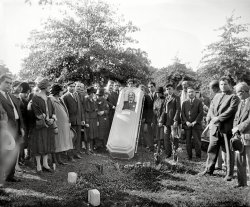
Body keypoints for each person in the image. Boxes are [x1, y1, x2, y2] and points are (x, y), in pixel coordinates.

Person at [199, 76, 239, 181]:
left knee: (227, 152)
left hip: (226, 129)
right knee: (212, 149)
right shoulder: (216, 96)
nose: (223, 86)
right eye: (221, 84)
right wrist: (213, 118)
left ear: (230, 85)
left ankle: (229, 174)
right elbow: (211, 109)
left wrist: (219, 118)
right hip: (215, 128)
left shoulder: (234, 97)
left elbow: (231, 111)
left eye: (225, 84)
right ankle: (208, 170)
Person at [0, 74, 24, 182]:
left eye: (10, 83)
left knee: (14, 152)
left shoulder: (12, 96)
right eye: (6, 82)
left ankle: (10, 175)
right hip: (5, 128)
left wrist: (22, 127)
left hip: (17, 126)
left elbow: (18, 113)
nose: (9, 85)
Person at [30, 78, 57, 174]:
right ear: (44, 87)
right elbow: (36, 112)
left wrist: (52, 119)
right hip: (39, 126)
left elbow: (53, 111)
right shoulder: (35, 98)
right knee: (39, 144)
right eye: (49, 86)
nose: (50, 88)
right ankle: (38, 165)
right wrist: (45, 119)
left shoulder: (49, 98)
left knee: (47, 144)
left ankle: (45, 164)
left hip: (48, 126)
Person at [50, 84, 73, 165]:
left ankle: (59, 160)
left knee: (61, 143)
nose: (63, 92)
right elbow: (51, 113)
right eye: (61, 91)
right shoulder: (51, 100)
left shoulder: (60, 99)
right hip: (57, 124)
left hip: (63, 124)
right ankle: (54, 160)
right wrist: (54, 125)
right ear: (57, 91)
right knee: (56, 142)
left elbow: (65, 111)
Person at [232, 82, 250, 187]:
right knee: (239, 161)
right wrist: (235, 130)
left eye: (238, 92)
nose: (237, 94)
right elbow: (236, 118)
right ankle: (242, 183)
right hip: (239, 136)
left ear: (243, 92)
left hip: (248, 136)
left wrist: (238, 127)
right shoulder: (240, 103)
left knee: (249, 161)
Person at [62, 81, 84, 159]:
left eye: (73, 86)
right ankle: (69, 155)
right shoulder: (65, 97)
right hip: (70, 122)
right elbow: (64, 111)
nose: (72, 88)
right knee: (71, 138)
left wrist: (82, 119)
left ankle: (76, 153)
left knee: (78, 138)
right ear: (67, 87)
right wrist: (67, 122)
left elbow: (80, 108)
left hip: (78, 121)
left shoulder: (77, 95)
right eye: (70, 86)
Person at [159, 83, 181, 158]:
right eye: (167, 89)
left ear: (173, 89)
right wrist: (161, 120)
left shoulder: (176, 98)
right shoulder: (166, 98)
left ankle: (175, 154)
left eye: (170, 89)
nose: (168, 90)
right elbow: (164, 111)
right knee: (166, 138)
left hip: (173, 121)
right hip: (166, 121)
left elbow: (178, 110)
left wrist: (175, 120)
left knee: (174, 138)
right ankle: (168, 153)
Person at [181, 87, 203, 160]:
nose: (191, 93)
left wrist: (195, 122)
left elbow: (201, 113)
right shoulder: (184, 102)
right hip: (187, 125)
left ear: (195, 93)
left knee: (197, 141)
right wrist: (186, 122)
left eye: (192, 92)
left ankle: (198, 156)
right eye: (189, 92)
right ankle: (189, 156)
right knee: (188, 142)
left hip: (196, 125)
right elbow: (183, 114)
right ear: (187, 93)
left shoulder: (199, 102)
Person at [85, 87, 98, 153]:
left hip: (94, 119)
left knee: (93, 135)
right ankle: (87, 149)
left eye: (94, 93)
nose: (93, 94)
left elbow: (96, 110)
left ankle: (91, 148)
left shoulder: (93, 100)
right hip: (89, 119)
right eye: (92, 93)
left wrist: (97, 120)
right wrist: (86, 121)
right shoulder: (86, 100)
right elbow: (86, 111)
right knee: (88, 135)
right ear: (89, 93)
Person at [153, 86, 165, 153]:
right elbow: (154, 108)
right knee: (157, 134)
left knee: (162, 135)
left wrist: (161, 120)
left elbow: (164, 111)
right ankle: (158, 147)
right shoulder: (156, 100)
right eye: (156, 93)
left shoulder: (165, 99)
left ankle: (162, 148)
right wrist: (156, 114)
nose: (157, 94)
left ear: (161, 93)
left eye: (158, 93)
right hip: (157, 118)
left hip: (163, 120)